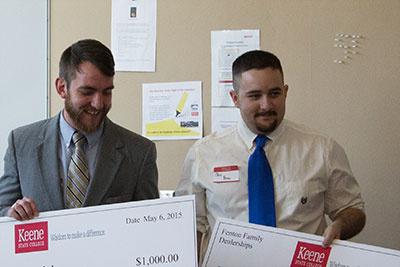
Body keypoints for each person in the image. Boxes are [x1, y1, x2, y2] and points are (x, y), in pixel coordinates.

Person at [176, 50, 365, 260]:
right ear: (235, 98)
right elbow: (191, 223)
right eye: (255, 96)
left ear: (285, 92)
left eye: (274, 93)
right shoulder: (204, 153)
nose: (266, 105)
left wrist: (340, 226)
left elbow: (352, 209)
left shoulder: (322, 149)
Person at [0, 39, 159, 221]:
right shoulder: (21, 143)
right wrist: (10, 213)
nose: (98, 104)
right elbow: (2, 207)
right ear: (62, 88)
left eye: (107, 92)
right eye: (87, 92)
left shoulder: (139, 152)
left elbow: (149, 224)